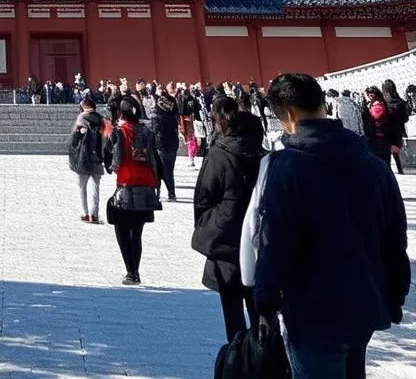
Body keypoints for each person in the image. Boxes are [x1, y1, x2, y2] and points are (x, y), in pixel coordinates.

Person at [252, 73, 409, 379]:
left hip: (312, 309)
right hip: (364, 301)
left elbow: (276, 241)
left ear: (287, 115)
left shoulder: (286, 168)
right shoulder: (373, 165)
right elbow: (394, 239)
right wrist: (395, 294)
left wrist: (266, 297)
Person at [191, 96, 264, 341]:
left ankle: (237, 358)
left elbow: (203, 196)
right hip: (259, 240)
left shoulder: (219, 154)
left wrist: (207, 226)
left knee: (232, 311)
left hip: (226, 238)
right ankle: (263, 356)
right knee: (261, 310)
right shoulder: (267, 158)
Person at [104, 98, 160, 285]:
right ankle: (135, 271)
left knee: (121, 229)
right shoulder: (147, 131)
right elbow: (153, 157)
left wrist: (112, 166)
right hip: (145, 184)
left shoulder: (119, 131)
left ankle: (130, 272)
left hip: (127, 184)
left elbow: (116, 160)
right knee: (137, 232)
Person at [70, 95, 105, 223]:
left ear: (83, 106)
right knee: (95, 188)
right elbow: (106, 139)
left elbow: (74, 140)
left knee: (82, 187)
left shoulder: (81, 118)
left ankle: (85, 213)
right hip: (97, 158)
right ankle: (94, 214)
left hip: (83, 158)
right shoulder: (101, 119)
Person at [150, 83, 180, 202]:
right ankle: (171, 192)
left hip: (160, 145)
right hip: (173, 144)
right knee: (169, 169)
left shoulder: (157, 118)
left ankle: (158, 193)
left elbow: (154, 131)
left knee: (159, 170)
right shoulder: (173, 118)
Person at [381, 78, 408, 176]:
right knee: (396, 153)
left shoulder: (385, 103)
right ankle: (400, 169)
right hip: (399, 130)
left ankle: (389, 171)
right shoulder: (400, 102)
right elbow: (406, 118)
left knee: (387, 152)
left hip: (387, 131)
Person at [362, 86, 393, 169]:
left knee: (382, 165)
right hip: (376, 138)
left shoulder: (378, 107)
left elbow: (374, 118)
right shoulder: (375, 105)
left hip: (379, 138)